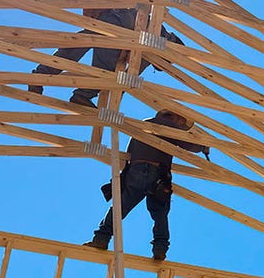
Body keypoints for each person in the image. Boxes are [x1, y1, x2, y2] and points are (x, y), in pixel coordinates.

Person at [29, 0, 183, 108]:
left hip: (120, 40)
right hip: (107, 27)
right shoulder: (121, 1)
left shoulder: (148, 16)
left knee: (104, 68)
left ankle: (80, 94)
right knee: (77, 48)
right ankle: (42, 77)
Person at [82, 109, 209, 260]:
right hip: (157, 174)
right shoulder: (168, 125)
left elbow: (131, 151)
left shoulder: (144, 123)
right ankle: (160, 249)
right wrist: (203, 146)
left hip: (136, 171)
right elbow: (187, 144)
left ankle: (101, 239)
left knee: (120, 207)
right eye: (181, 121)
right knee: (160, 213)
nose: (181, 124)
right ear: (173, 116)